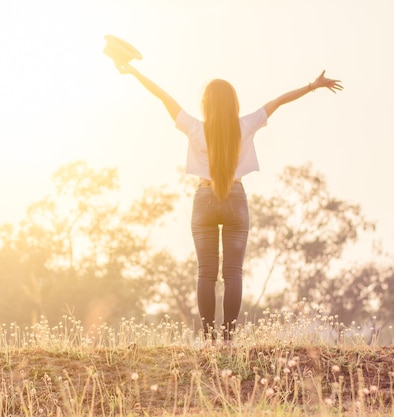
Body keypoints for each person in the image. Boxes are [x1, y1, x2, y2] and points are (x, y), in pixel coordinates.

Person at [116, 63, 342, 342]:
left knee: (205, 273)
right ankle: (228, 340)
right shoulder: (245, 125)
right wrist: (312, 86)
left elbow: (163, 96)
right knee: (233, 273)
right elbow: (279, 101)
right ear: (233, 103)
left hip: (204, 200)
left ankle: (210, 339)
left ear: (205, 105)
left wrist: (134, 72)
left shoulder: (195, 129)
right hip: (235, 199)